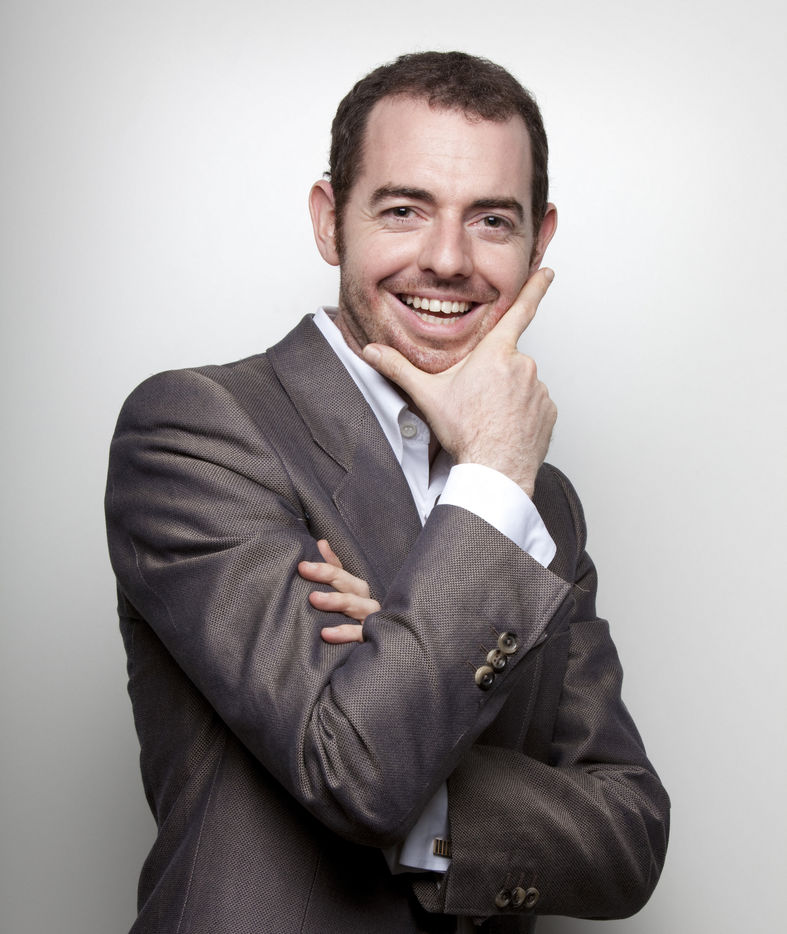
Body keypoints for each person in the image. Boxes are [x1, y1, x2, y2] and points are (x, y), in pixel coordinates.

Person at [105, 51, 669, 934]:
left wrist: (399, 669)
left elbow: (629, 839)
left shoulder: (544, 502)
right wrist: (491, 487)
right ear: (330, 220)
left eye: (491, 220)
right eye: (403, 210)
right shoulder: (199, 429)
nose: (446, 260)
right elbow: (357, 770)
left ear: (539, 241)